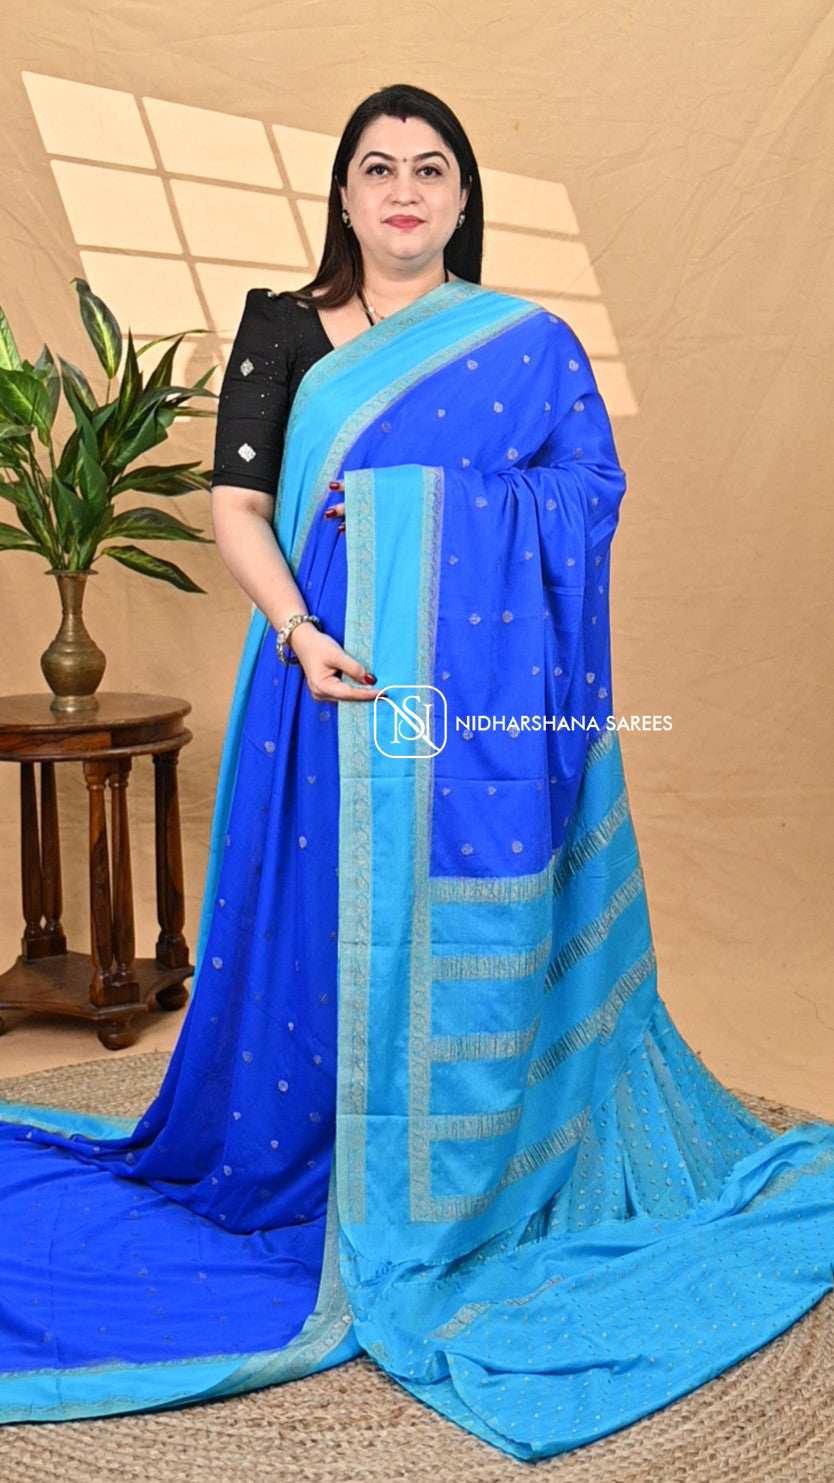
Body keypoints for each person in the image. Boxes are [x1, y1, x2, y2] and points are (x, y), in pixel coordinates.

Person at [0, 83, 832, 1462]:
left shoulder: (522, 342)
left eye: (429, 169)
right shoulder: (283, 326)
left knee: (449, 924)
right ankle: (315, 1156)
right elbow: (237, 504)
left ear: (460, 197)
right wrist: (299, 630)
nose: (402, 191)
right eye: (377, 168)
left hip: (473, 702)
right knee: (323, 927)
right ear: (343, 193)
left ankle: (463, 1167)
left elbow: (588, 497)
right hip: (319, 679)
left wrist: (414, 512)